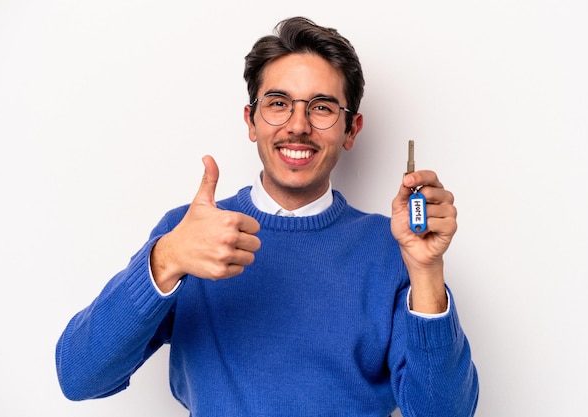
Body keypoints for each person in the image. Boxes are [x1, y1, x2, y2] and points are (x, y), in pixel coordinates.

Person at [56, 16, 479, 417]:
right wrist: (165, 260)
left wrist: (426, 271)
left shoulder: (390, 248)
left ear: (351, 130)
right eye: (278, 103)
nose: (297, 126)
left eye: (322, 108)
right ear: (252, 121)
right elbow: (79, 377)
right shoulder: (190, 234)